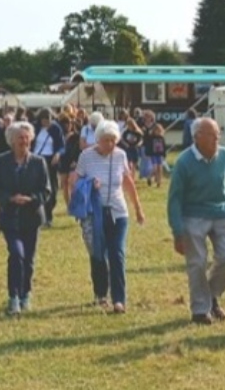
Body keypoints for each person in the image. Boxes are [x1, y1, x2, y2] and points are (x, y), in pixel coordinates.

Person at [167, 118, 225, 325]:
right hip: (193, 214)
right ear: (197, 137)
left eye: (218, 134)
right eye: (211, 135)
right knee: (198, 262)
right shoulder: (184, 162)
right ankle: (200, 310)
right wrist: (177, 231)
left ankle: (211, 294)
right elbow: (174, 200)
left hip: (221, 212)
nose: (216, 139)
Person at [71, 120, 145, 313]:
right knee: (97, 254)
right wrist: (88, 184)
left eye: (113, 140)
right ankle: (101, 294)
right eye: (106, 140)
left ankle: (119, 299)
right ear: (98, 140)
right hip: (94, 213)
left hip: (118, 212)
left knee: (117, 254)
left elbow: (128, 181)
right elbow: (75, 181)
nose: (110, 145)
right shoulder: (86, 157)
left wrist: (137, 208)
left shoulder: (121, 155)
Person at [0, 121, 51, 316]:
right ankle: (13, 297)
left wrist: (31, 199)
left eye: (27, 138)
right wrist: (9, 198)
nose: (24, 142)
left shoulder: (38, 162)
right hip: (9, 217)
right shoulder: (1, 161)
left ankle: (26, 294)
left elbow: (47, 190)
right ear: (12, 141)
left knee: (29, 259)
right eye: (20, 138)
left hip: (32, 217)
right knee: (16, 254)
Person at [32, 108, 64, 227]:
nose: (47, 123)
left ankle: (48, 213)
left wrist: (58, 154)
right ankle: (41, 216)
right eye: (44, 120)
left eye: (49, 120)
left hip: (51, 160)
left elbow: (61, 145)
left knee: (52, 189)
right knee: (38, 187)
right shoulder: (35, 128)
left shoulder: (56, 128)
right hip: (37, 159)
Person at [144, 123, 167, 188]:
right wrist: (147, 153)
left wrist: (164, 154)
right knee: (155, 168)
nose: (158, 132)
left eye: (159, 131)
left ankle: (159, 182)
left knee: (160, 168)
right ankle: (149, 177)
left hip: (159, 154)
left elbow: (164, 147)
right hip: (153, 154)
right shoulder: (151, 138)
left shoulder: (161, 138)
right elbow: (148, 146)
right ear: (154, 131)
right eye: (157, 130)